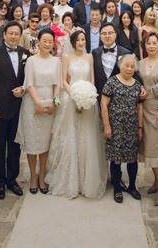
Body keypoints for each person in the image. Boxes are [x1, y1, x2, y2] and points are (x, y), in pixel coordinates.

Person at [46, 30, 107, 199]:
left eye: (83, 39)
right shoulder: (67, 58)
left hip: (87, 100)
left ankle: (87, 180)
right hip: (70, 99)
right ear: (73, 43)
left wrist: (88, 94)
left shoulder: (90, 57)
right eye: (78, 40)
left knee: (87, 136)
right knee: (71, 136)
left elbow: (92, 79)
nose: (81, 42)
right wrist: (74, 95)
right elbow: (63, 80)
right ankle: (70, 180)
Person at [0, 21, 29, 199]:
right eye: (10, 33)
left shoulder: (24, 53)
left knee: (15, 147)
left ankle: (12, 179)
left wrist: (23, 89)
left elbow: (26, 79)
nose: (13, 36)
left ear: (20, 35)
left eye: (16, 33)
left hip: (18, 108)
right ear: (4, 35)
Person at [16, 29, 60, 194]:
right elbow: (29, 83)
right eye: (44, 41)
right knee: (33, 141)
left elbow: (57, 84)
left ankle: (42, 176)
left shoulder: (56, 62)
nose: (47, 44)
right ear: (38, 42)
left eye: (50, 41)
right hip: (32, 104)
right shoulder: (31, 60)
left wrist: (54, 103)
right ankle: (33, 177)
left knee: (45, 142)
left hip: (49, 103)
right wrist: (37, 103)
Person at [101, 53, 143, 204]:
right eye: (127, 66)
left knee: (132, 159)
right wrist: (107, 126)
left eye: (132, 66)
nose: (129, 69)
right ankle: (117, 189)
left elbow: (140, 108)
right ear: (120, 66)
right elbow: (103, 104)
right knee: (116, 159)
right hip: (115, 127)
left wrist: (140, 127)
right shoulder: (112, 82)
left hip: (131, 127)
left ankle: (132, 186)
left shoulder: (137, 85)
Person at [137, 32, 158, 206]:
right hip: (143, 108)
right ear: (144, 46)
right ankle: (156, 182)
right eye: (148, 43)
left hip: (157, 109)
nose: (151, 46)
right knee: (147, 147)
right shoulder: (140, 63)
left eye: (154, 43)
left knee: (155, 149)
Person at [93, 22, 134, 96]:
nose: (107, 36)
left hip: (120, 94)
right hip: (100, 93)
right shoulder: (95, 53)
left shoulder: (126, 53)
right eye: (104, 34)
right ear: (100, 36)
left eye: (110, 33)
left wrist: (141, 86)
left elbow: (133, 73)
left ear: (115, 34)